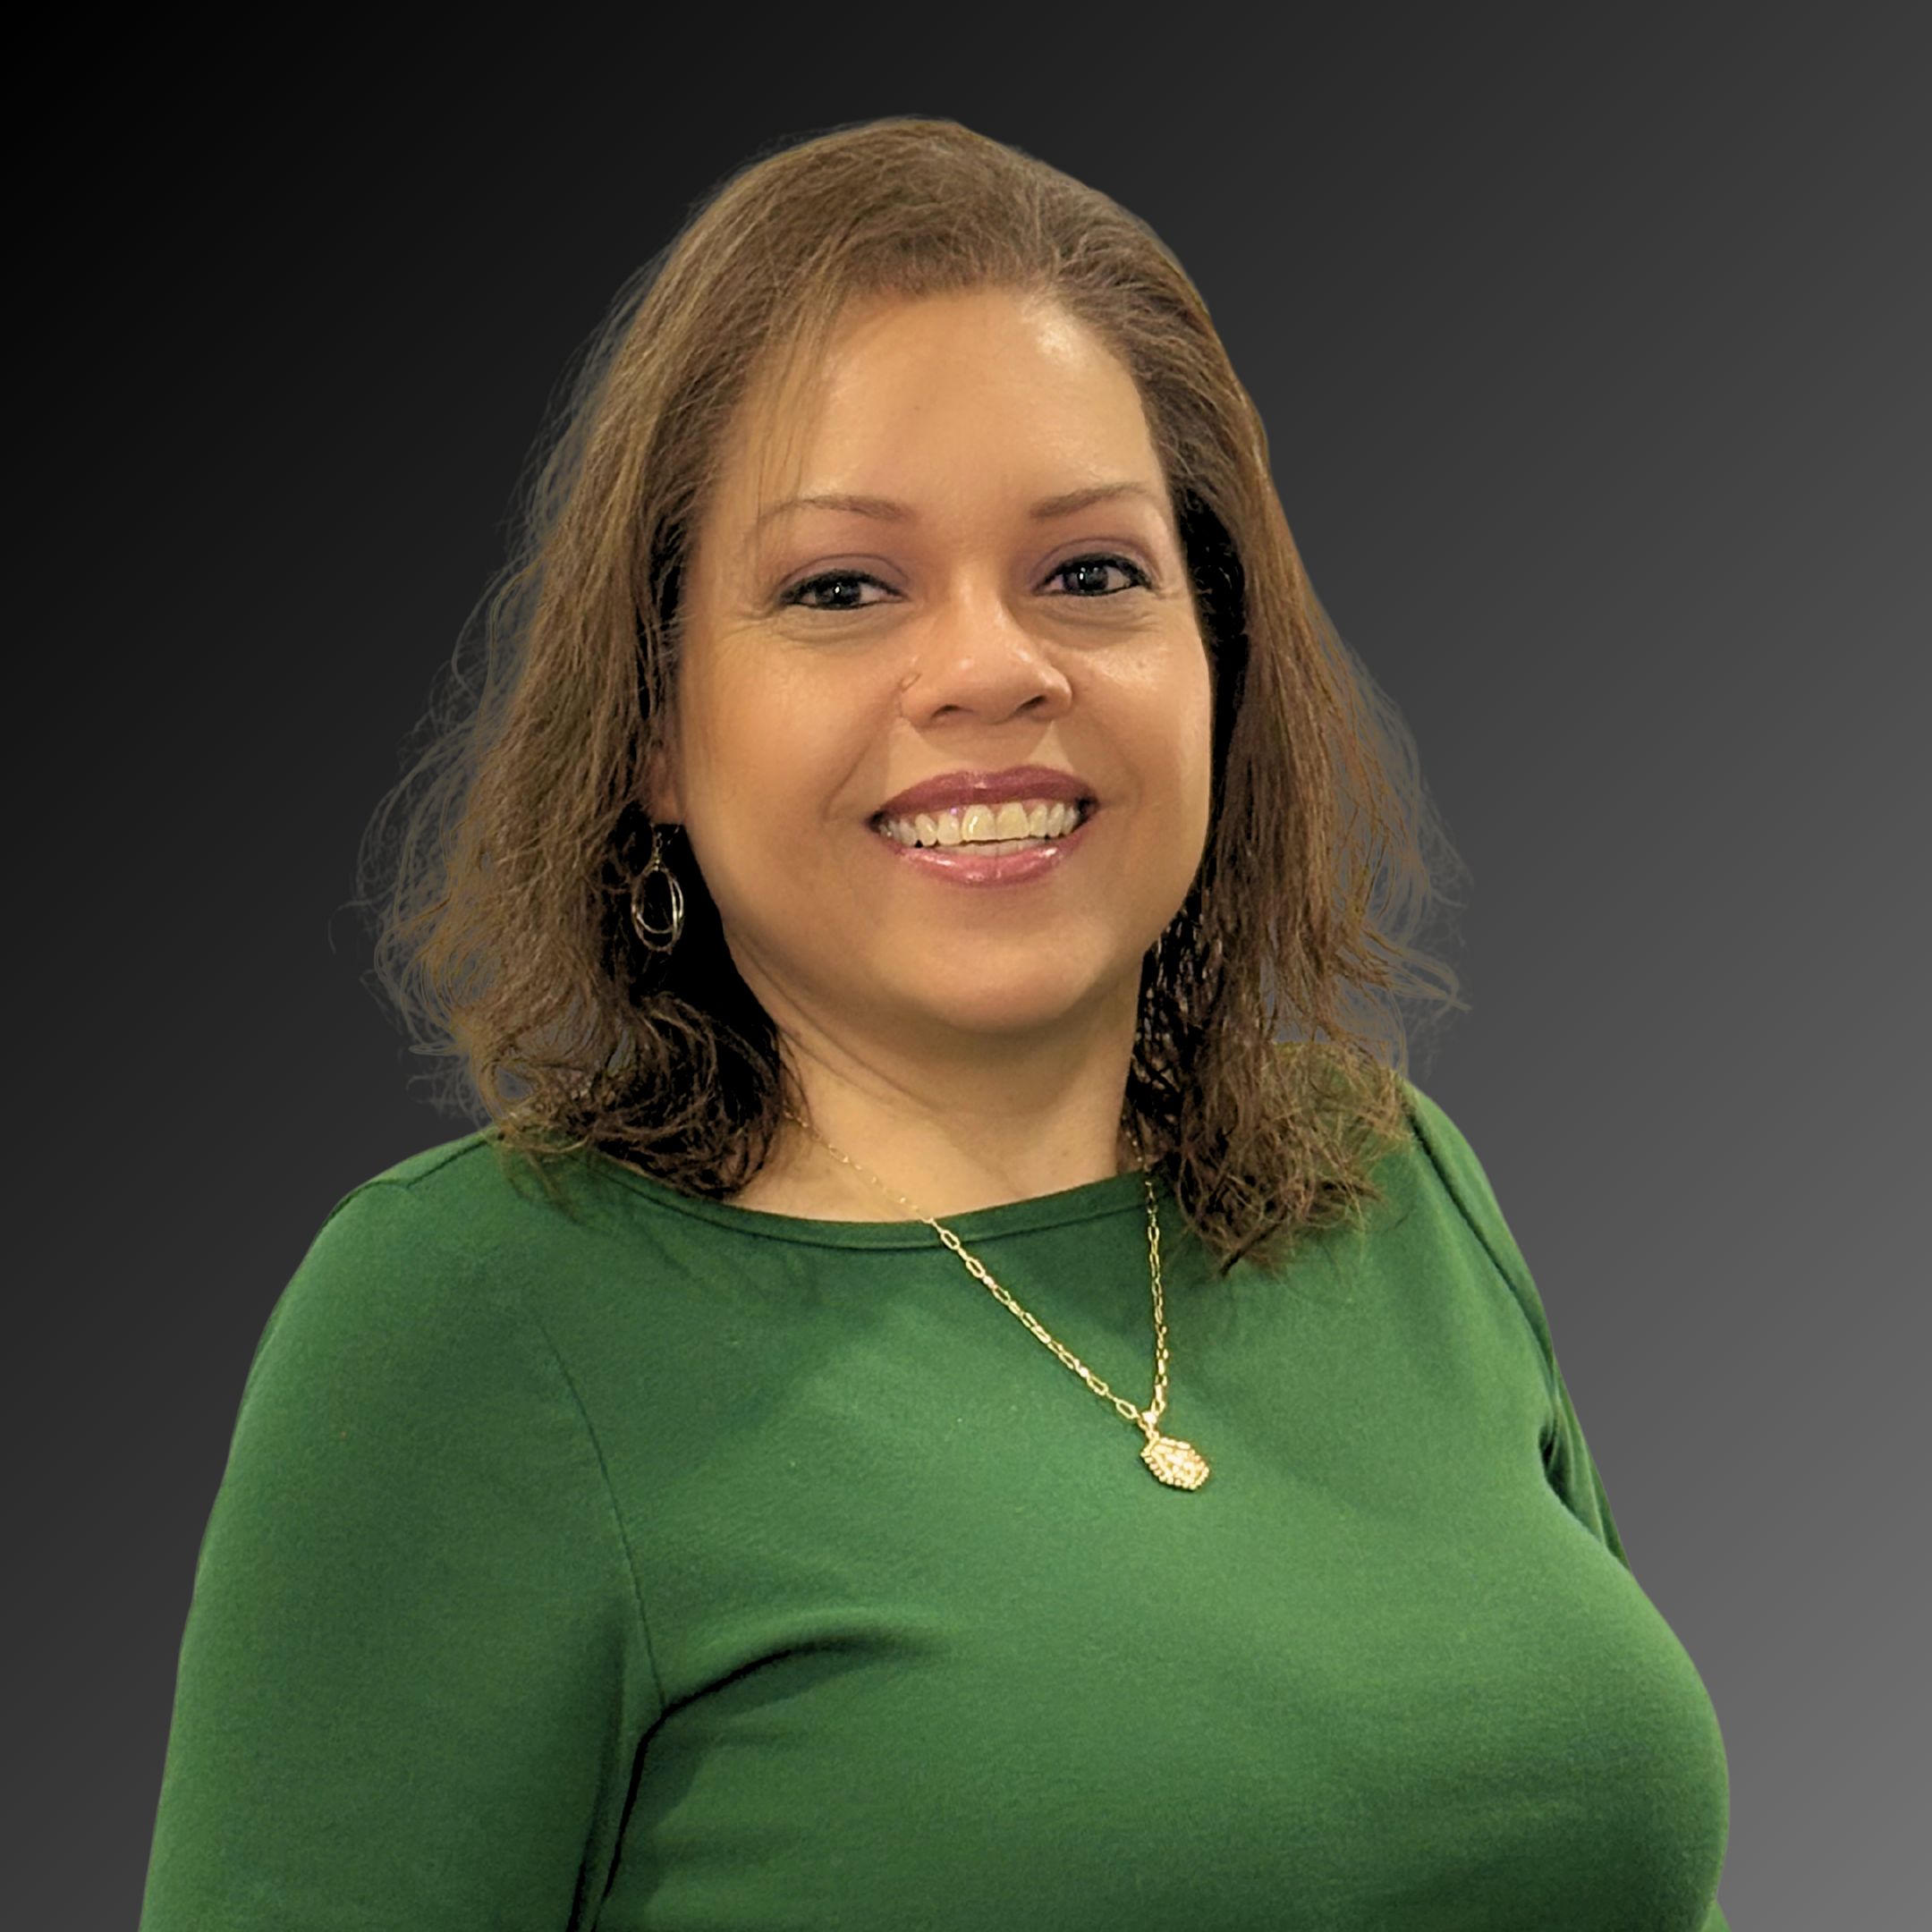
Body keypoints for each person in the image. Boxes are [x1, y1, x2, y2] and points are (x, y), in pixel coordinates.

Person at [140, 118, 1732, 1930]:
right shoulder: (470, 1330)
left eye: (1092, 573)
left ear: (1215, 668)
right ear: (656, 730)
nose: (991, 664)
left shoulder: (1397, 1186)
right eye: (842, 588)